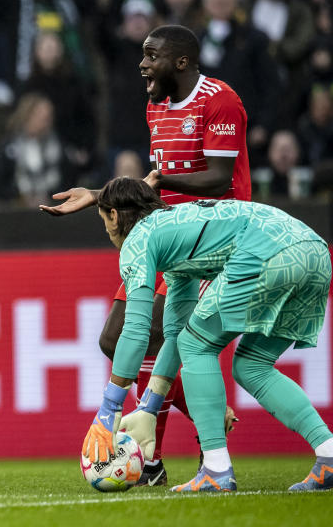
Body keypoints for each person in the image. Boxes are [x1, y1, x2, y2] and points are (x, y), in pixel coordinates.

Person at [41, 24, 251, 486]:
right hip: (168, 236)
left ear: (181, 61)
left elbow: (217, 179)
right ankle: (155, 455)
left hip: (217, 240)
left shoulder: (220, 101)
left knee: (180, 345)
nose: (142, 65)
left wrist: (139, 188)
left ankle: (198, 457)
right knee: (116, 338)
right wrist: (100, 196)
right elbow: (155, 187)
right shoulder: (157, 105)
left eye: (151, 56)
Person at [84, 177, 333, 493]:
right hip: (315, 252)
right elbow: (172, 334)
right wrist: (148, 406)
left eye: (104, 221)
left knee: (196, 343)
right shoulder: (176, 232)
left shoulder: (138, 239)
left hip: (268, 251)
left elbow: (135, 329)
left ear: (114, 216)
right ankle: (329, 453)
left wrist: (109, 409)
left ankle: (216, 468)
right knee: (251, 366)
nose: (107, 232)